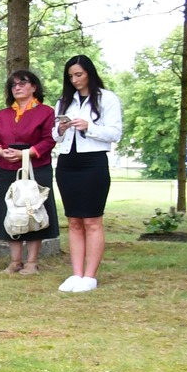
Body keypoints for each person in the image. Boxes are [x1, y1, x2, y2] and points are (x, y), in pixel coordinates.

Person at [52, 54, 121, 293]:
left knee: (92, 220)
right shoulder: (63, 101)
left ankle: (90, 276)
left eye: (79, 74)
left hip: (93, 161)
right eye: (70, 76)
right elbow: (55, 137)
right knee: (73, 220)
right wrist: (60, 129)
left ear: (89, 73)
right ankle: (76, 273)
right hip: (67, 162)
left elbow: (114, 133)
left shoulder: (107, 98)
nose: (75, 80)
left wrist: (88, 127)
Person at [0, 69, 58, 275]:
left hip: (36, 169)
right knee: (11, 211)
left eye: (22, 83)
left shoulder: (46, 112)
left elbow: (49, 139)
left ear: (34, 87)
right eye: (13, 85)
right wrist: (0, 151)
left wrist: (26, 154)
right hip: (7, 169)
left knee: (32, 211)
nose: (17, 87)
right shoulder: (3, 114)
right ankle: (15, 261)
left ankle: (32, 263)